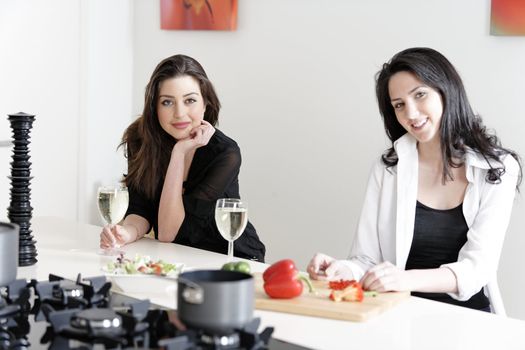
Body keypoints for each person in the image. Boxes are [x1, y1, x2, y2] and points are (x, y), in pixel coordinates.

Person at [307, 47, 522, 312]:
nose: (410, 114)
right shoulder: (388, 168)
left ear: (446, 90)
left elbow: (477, 269)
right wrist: (342, 269)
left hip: (468, 319)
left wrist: (405, 279)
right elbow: (366, 260)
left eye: (420, 95)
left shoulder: (497, 168)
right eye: (399, 105)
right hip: (396, 312)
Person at [99, 54, 266, 261]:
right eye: (167, 102)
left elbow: (169, 233)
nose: (179, 113)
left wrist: (178, 153)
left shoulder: (225, 153)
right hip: (175, 258)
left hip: (229, 259)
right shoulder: (140, 140)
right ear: (154, 107)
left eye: (190, 100)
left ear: (206, 103)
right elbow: (140, 208)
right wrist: (127, 232)